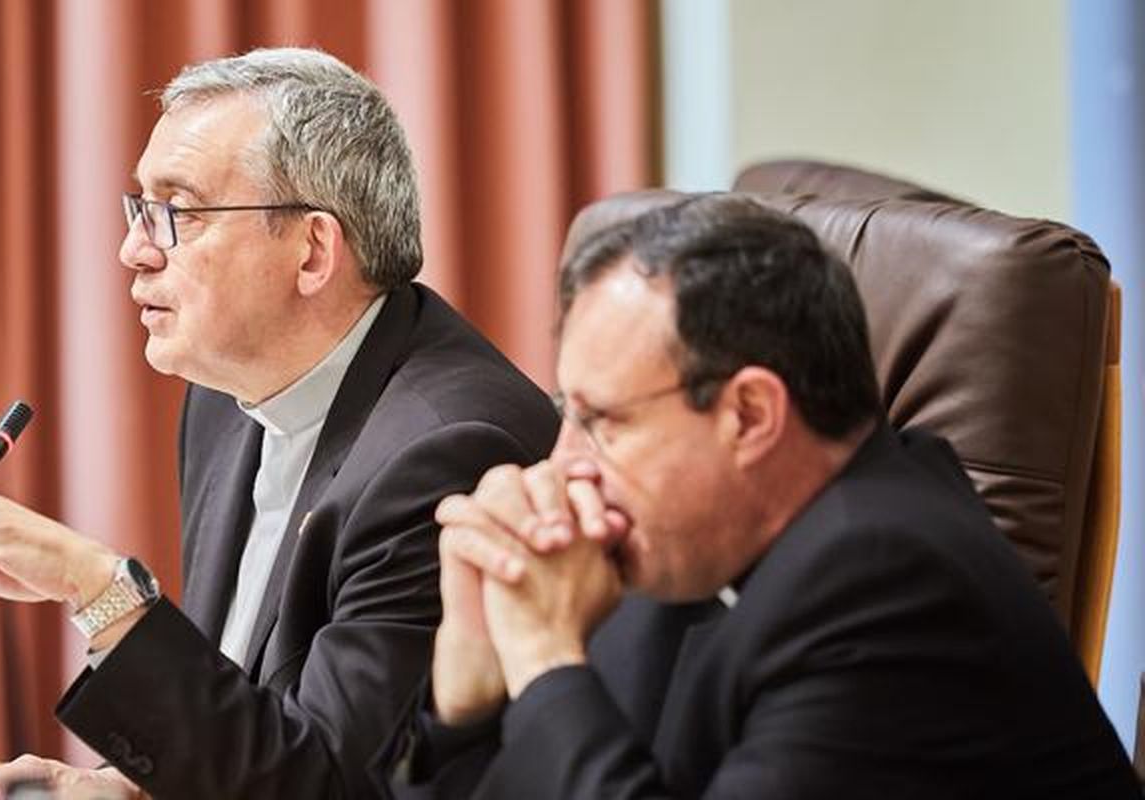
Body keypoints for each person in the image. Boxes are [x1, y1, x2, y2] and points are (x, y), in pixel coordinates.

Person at [0, 47, 558, 800]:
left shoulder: (447, 448)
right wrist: (124, 789)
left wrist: (98, 585)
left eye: (177, 212)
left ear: (313, 250)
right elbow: (257, 728)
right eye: (140, 209)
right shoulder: (224, 405)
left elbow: (330, 787)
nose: (133, 250)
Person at [383, 195, 1140, 798]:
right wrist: (467, 699)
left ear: (750, 414)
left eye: (603, 422)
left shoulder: (889, 584)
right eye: (566, 414)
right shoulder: (687, 540)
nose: (565, 463)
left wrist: (547, 660)